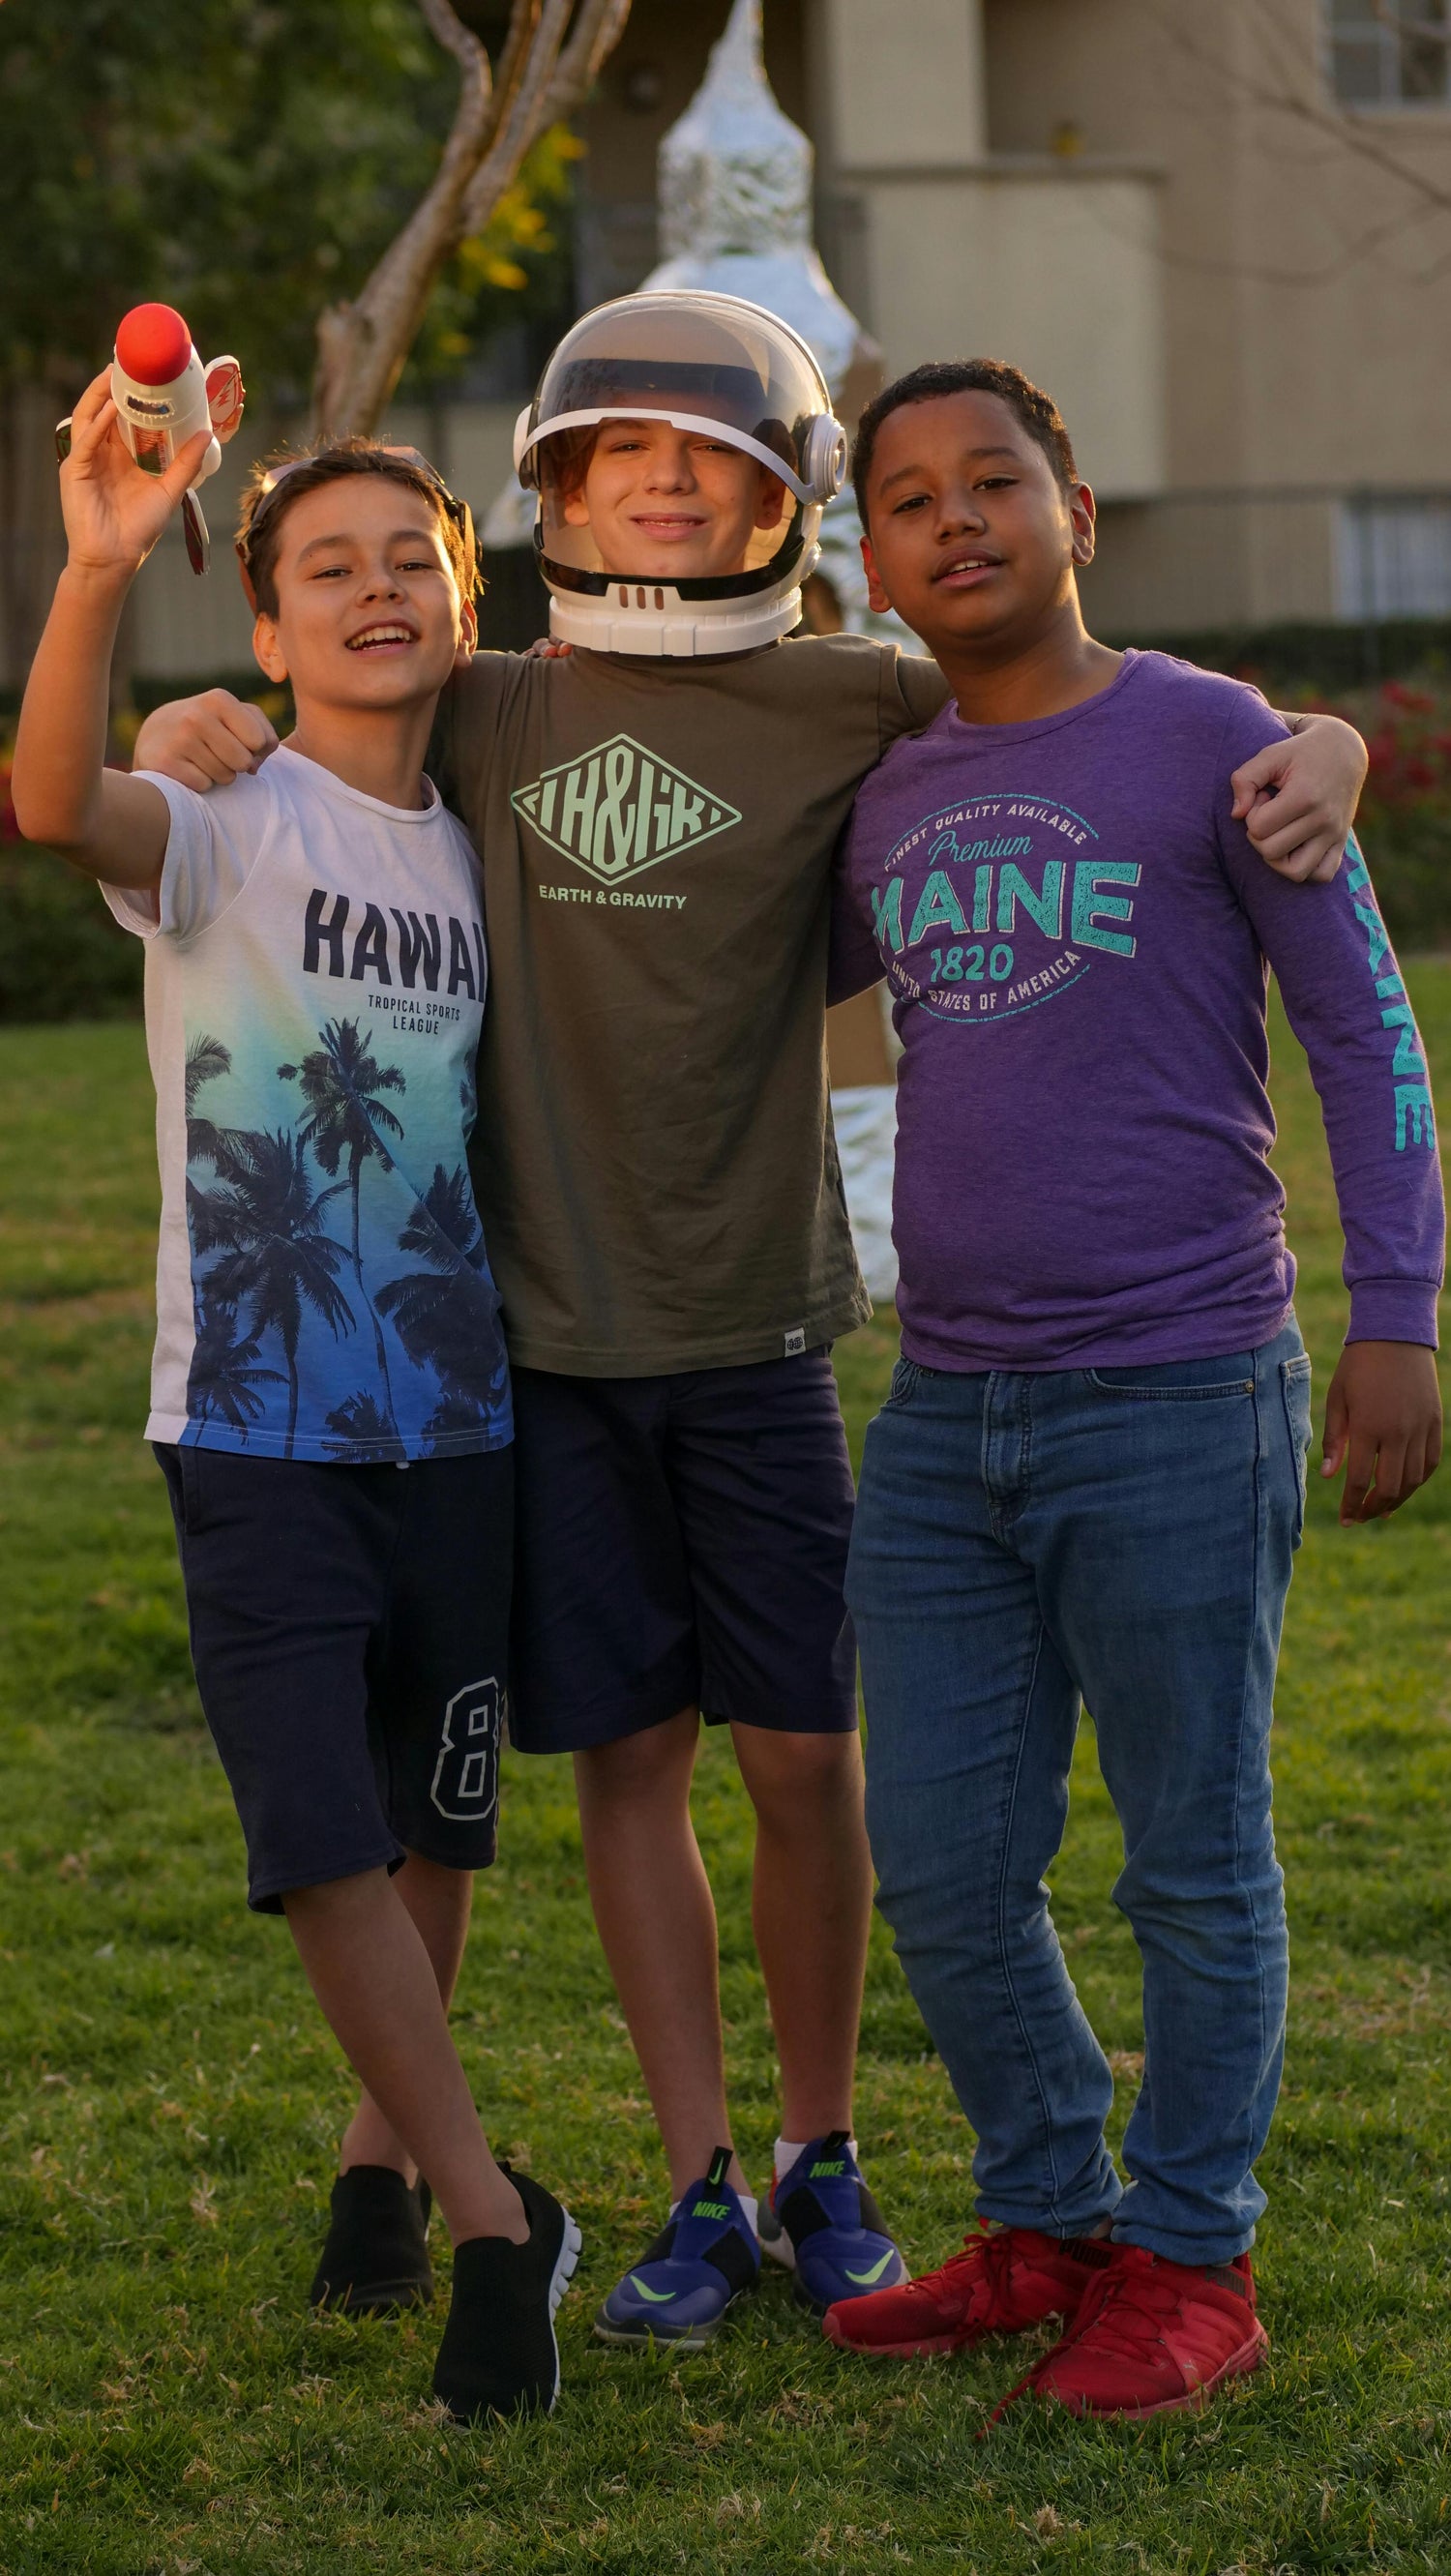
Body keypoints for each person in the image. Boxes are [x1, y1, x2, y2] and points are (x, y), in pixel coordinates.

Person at [133, 292, 1370, 2354]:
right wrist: (194, 723)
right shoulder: (497, 701)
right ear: (550, 490)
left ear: (789, 501)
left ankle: (824, 2154)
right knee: (630, 1768)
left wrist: (1305, 734)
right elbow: (307, 734)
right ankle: (699, 2170)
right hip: (545, 1340)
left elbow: (1061, 704)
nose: (668, 483)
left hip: (769, 1329)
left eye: (715, 456)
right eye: (624, 454)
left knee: (812, 1757)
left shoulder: (853, 699)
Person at [819, 359, 1444, 2419]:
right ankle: (1049, 2222)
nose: (952, 521)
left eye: (989, 480)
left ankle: (1195, 2261)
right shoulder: (886, 787)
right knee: (936, 1856)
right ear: (875, 556)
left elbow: (1366, 1034)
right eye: (903, 500)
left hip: (1182, 1389)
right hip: (945, 1417)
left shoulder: (1210, 741)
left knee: (1193, 1858)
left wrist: (1400, 1317)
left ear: (1073, 505)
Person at [12, 385, 580, 2423]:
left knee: (435, 1828)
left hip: (461, 1415)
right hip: (251, 1420)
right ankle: (493, 2217)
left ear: (463, 595)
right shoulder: (226, 822)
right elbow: (61, 801)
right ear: (258, 632)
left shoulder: (491, 845)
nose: (367, 590)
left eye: (402, 559)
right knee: (317, 1828)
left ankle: (372, 2175)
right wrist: (95, 573)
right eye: (318, 567)